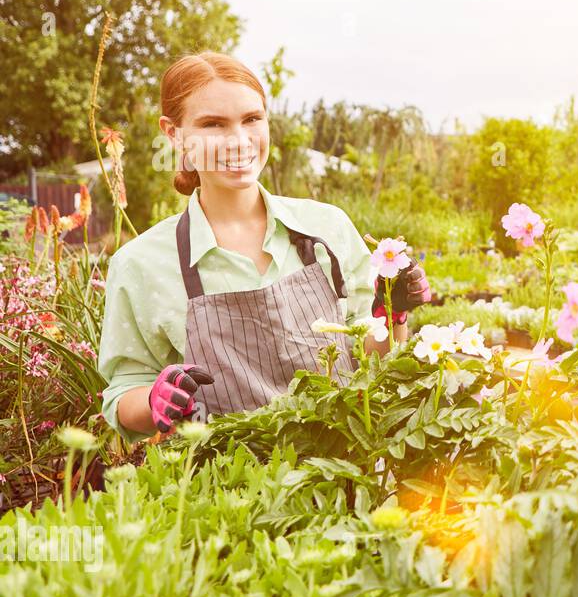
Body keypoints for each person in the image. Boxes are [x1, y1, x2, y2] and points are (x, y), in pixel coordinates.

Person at [97, 52, 432, 439]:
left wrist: (394, 316)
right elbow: (122, 395)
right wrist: (154, 398)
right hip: (226, 488)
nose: (239, 141)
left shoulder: (328, 228)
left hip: (345, 477)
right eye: (212, 124)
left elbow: (371, 364)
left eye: (251, 119)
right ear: (174, 134)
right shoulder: (141, 264)